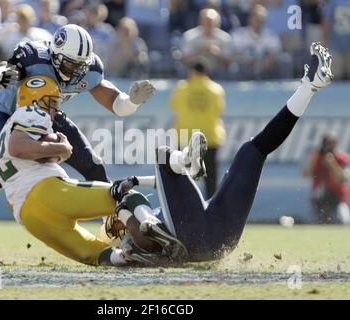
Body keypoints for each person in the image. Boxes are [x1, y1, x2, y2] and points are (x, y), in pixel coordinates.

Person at [109, 42, 334, 263]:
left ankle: (309, 87)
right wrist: (122, 210)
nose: (114, 227)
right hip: (194, 235)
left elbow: (162, 187)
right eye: (112, 228)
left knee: (254, 150)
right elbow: (127, 229)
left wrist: (136, 179)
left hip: (219, 239)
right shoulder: (129, 229)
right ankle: (187, 162)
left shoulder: (162, 214)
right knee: (160, 157)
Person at [0, 24, 156, 252]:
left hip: (47, 113)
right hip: (8, 111)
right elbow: (3, 71)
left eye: (81, 65)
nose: (76, 71)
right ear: (55, 54)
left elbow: (117, 105)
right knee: (7, 165)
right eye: (71, 63)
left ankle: (112, 226)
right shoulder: (34, 57)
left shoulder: (88, 69)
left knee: (93, 166)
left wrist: (132, 100)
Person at [0, 75, 179, 266]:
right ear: (34, 99)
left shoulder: (6, 131)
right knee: (125, 195)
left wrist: (55, 152)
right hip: (46, 192)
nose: (55, 108)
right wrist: (62, 149)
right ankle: (153, 227)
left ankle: (132, 254)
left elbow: (20, 152)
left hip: (28, 217)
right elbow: (17, 148)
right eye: (51, 102)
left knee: (99, 254)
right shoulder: (32, 113)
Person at [169, 58, 226, 198]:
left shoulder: (182, 88)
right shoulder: (216, 89)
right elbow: (219, 110)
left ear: (192, 72)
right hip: (209, 138)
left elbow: (173, 105)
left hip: (185, 138)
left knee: (182, 176)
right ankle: (212, 210)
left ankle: (182, 207)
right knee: (210, 178)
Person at [303, 132, 350, 224]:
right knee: (312, 225)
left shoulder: (342, 158)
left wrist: (332, 163)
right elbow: (306, 174)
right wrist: (315, 158)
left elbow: (343, 179)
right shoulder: (316, 157)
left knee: (343, 223)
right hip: (318, 200)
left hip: (337, 200)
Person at [180, 8, 232, 78]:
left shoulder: (224, 38)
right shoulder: (190, 36)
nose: (208, 24)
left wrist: (217, 53)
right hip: (194, 76)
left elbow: (229, 63)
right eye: (205, 21)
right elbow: (184, 60)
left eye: (210, 21)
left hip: (219, 77)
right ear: (200, 21)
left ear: (217, 23)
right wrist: (199, 51)